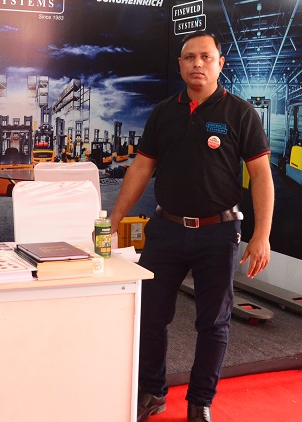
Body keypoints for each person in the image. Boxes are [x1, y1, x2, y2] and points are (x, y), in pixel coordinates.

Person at [109, 32, 274, 422]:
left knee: (213, 322)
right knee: (150, 316)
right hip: (166, 231)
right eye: (189, 57)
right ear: (180, 64)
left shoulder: (240, 113)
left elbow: (261, 176)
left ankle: (200, 401)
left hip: (218, 233)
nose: (197, 63)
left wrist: (261, 236)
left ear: (220, 63)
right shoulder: (164, 112)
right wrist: (113, 218)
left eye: (206, 56)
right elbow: (141, 168)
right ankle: (152, 392)